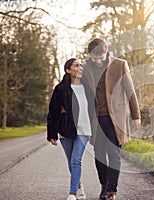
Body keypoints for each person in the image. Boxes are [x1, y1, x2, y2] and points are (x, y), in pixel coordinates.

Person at [82, 38, 141, 200]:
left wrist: (136, 116)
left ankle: (112, 191)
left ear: (106, 52)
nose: (98, 61)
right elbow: (80, 91)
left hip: (116, 119)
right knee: (99, 154)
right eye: (95, 58)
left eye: (101, 58)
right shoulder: (85, 67)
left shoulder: (120, 64)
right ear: (90, 56)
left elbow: (130, 91)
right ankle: (104, 185)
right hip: (96, 119)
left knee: (114, 153)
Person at [47, 58, 92, 200]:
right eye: (76, 66)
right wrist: (52, 133)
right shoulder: (60, 89)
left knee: (76, 160)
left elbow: (94, 107)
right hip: (66, 129)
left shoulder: (88, 87)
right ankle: (79, 186)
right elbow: (53, 111)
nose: (80, 68)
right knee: (71, 160)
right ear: (68, 70)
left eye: (81, 66)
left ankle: (72, 193)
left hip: (84, 129)